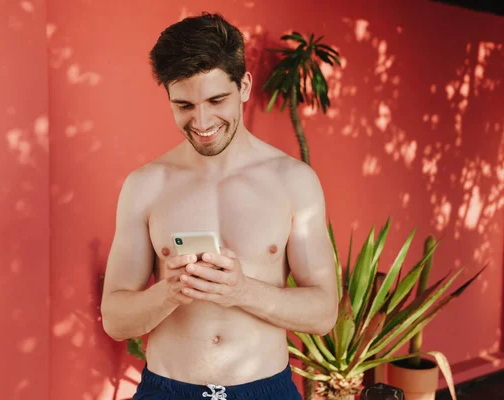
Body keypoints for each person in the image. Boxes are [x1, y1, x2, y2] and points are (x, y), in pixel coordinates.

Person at [101, 12, 338, 400]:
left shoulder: (294, 181)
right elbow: (115, 320)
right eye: (184, 105)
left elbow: (324, 313)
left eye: (216, 99)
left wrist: (242, 291)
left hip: (265, 390)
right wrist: (172, 292)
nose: (202, 120)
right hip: (167, 390)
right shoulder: (145, 185)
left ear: (243, 85)